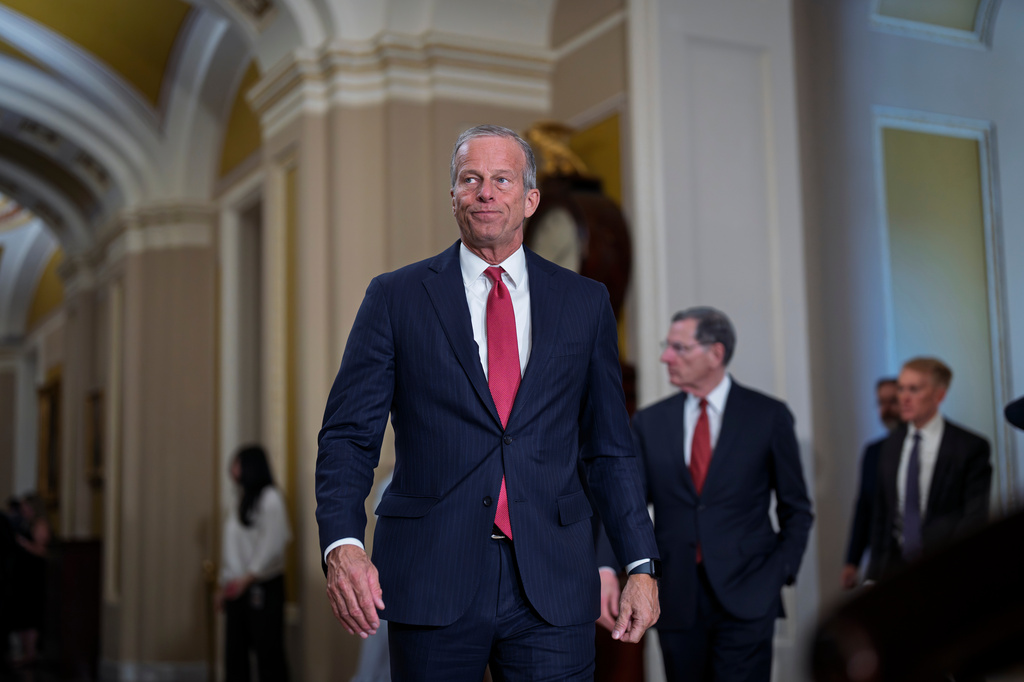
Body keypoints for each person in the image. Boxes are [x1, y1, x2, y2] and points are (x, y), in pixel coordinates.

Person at [316, 124, 660, 681]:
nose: (485, 192)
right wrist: (343, 544)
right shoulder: (395, 297)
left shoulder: (585, 302)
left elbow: (610, 450)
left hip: (552, 579)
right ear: (452, 195)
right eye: (470, 179)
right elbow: (348, 436)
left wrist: (640, 563)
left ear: (530, 199)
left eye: (502, 179)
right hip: (431, 573)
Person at [603, 306, 813, 682]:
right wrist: (606, 567)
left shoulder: (768, 416)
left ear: (715, 354)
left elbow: (797, 509)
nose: (666, 357)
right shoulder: (651, 422)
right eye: (668, 347)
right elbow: (625, 504)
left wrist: (779, 573)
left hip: (749, 595)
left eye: (679, 348)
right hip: (677, 598)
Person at [866, 357, 991, 581]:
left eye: (914, 389)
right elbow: (883, 518)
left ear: (939, 395)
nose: (903, 397)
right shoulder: (890, 446)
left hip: (948, 570)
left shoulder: (969, 447)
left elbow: (974, 517)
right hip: (895, 572)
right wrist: (873, 577)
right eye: (901, 388)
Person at [219, 445, 292, 682]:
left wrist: (247, 579)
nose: (232, 469)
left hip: (263, 586)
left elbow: (272, 546)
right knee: (235, 657)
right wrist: (225, 585)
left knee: (268, 656)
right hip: (236, 588)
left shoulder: (271, 498)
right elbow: (231, 550)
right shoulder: (239, 500)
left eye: (237, 463)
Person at [839, 377, 900, 590]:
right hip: (881, 561)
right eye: (881, 403)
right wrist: (852, 561)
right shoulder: (874, 452)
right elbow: (864, 506)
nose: (886, 409)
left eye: (893, 401)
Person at [10, 493, 50, 669]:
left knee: (31, 613)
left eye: (27, 507)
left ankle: (31, 653)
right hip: (22, 574)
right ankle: (26, 652)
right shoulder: (24, 522)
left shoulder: (40, 524)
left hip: (33, 575)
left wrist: (23, 544)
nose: (24, 511)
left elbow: (42, 551)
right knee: (21, 613)